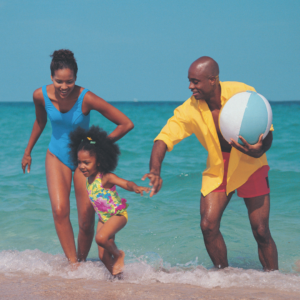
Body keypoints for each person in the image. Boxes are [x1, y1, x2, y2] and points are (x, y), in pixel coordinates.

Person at [142, 56, 278, 271]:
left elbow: (266, 130)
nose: (190, 86)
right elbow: (164, 138)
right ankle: (223, 275)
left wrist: (260, 149)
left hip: (250, 164)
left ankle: (275, 281)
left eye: (195, 81)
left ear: (213, 80)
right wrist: (155, 170)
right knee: (208, 226)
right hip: (219, 168)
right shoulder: (189, 109)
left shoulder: (242, 93)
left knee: (261, 230)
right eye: (189, 80)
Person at [21, 49, 134, 264]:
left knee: (85, 220)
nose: (64, 87)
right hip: (56, 156)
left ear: (76, 78)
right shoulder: (40, 96)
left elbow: (126, 123)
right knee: (60, 210)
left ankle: (82, 263)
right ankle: (74, 266)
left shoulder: (86, 98)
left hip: (85, 163)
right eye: (59, 81)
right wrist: (28, 152)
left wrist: (99, 147)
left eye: (69, 81)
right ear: (52, 77)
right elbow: (40, 122)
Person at [68, 125, 150, 275]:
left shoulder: (105, 177)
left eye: (87, 162)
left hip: (117, 215)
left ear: (99, 161)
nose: (82, 166)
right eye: (79, 162)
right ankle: (117, 279)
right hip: (103, 218)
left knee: (100, 238)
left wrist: (135, 187)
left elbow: (125, 183)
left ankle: (119, 255)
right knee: (102, 255)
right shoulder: (88, 179)